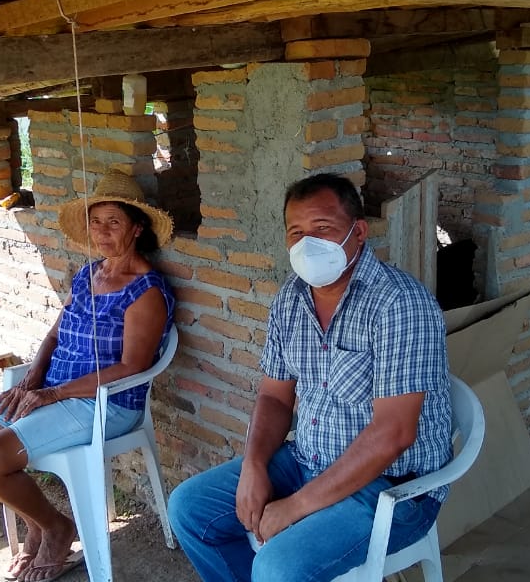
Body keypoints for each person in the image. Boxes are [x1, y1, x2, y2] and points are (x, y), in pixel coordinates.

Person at [168, 173, 452, 582]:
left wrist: (296, 506)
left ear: (358, 233)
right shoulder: (291, 297)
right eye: (296, 233)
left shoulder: (399, 305)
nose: (307, 245)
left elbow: (394, 433)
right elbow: (274, 397)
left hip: (391, 489)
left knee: (277, 567)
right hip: (307, 460)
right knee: (189, 510)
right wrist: (254, 464)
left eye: (322, 229)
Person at [0, 171, 175, 582]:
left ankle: (56, 529)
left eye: (114, 222)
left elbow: (131, 367)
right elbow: (56, 331)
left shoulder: (146, 290)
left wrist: (54, 394)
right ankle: (37, 522)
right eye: (95, 222)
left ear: (137, 229)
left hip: (105, 403)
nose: (102, 232)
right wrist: (33, 377)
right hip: (52, 391)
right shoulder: (88, 274)